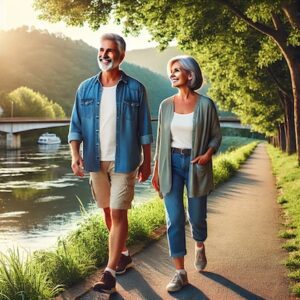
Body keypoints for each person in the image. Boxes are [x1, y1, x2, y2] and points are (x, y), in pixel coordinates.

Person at [68, 33, 153, 294]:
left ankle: (110, 272)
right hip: (95, 160)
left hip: (125, 160)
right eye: (101, 50)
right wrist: (75, 154)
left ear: (121, 56)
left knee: (118, 213)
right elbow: (76, 126)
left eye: (110, 51)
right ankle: (124, 254)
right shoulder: (85, 88)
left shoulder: (136, 88)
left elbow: (144, 129)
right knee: (107, 211)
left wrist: (147, 162)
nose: (104, 55)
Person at [152, 55, 222, 292]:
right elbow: (161, 140)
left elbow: (215, 135)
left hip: (195, 163)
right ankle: (180, 272)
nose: (171, 74)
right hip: (170, 163)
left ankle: (199, 244)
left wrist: (207, 155)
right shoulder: (165, 105)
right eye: (170, 70)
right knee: (174, 218)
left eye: (177, 70)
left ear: (190, 75)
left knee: (196, 215)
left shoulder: (205, 105)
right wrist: (155, 171)